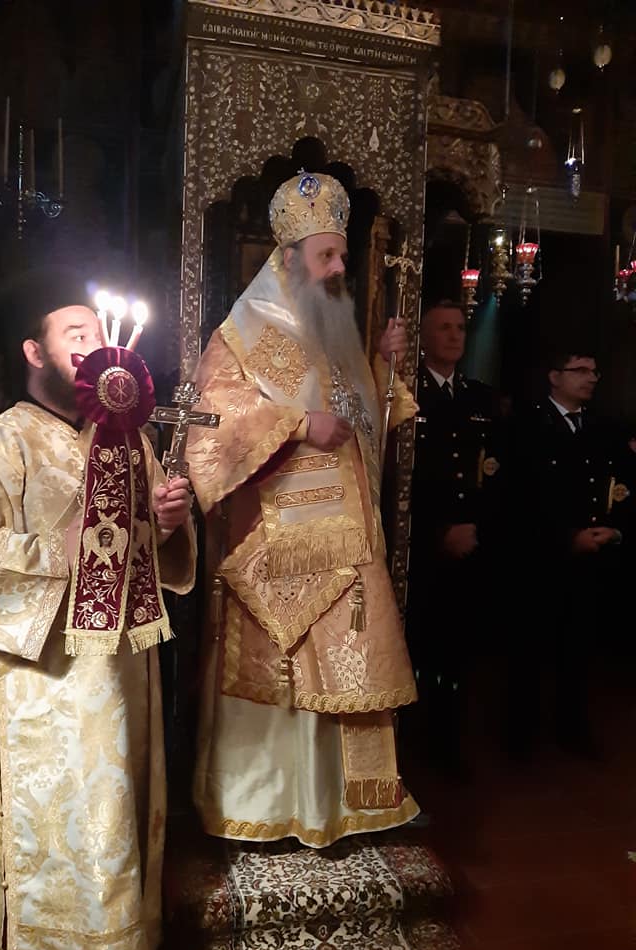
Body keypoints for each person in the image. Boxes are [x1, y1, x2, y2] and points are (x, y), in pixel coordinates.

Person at [0, 270, 196, 950]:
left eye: (99, 332)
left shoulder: (130, 442)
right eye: (75, 333)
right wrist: (58, 550)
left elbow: (145, 553)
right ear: (34, 351)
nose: (94, 344)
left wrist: (166, 525)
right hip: (41, 692)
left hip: (124, 680)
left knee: (118, 826)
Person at [186, 171, 420, 847]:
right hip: (274, 542)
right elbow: (209, 426)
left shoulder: (334, 332)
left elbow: (358, 429)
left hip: (347, 539)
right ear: (288, 257)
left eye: (341, 253)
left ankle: (340, 807)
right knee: (281, 673)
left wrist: (380, 368)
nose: (341, 266)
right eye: (327, 255)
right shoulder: (244, 333)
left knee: (347, 669)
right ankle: (264, 805)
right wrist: (294, 425)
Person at [505, 347, 636, 759]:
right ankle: (520, 737)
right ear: (554, 376)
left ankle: (573, 728)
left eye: (595, 371)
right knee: (530, 650)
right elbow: (519, 498)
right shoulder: (527, 425)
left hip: (592, 557)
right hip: (540, 558)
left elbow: (624, 485)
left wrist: (615, 530)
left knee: (578, 650)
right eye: (580, 370)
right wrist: (565, 538)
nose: (591, 377)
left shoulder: (604, 428)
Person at [397, 300, 505, 777]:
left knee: (457, 650)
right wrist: (439, 531)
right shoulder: (407, 394)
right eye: (443, 328)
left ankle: (448, 742)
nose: (455, 335)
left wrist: (475, 527)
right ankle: (408, 745)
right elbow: (398, 478)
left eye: (460, 327)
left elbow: (496, 473)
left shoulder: (481, 399)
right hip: (420, 544)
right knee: (417, 644)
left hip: (471, 542)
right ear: (423, 337)